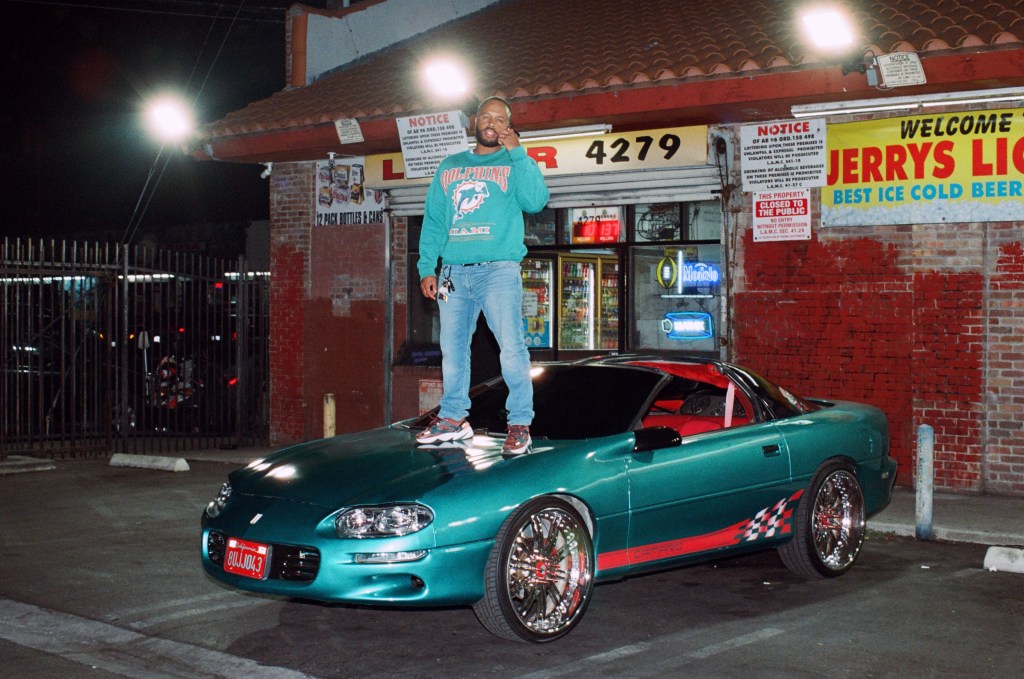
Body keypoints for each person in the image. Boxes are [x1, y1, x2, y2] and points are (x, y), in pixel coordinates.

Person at [416, 96, 549, 455]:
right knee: (452, 349)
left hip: (499, 270)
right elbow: (434, 221)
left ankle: (519, 423)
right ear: (475, 122)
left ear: (508, 126)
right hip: (453, 273)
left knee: (512, 347)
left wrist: (518, 152)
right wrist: (427, 267)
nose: (491, 123)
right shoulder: (450, 166)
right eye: (486, 116)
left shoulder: (514, 161)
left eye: (500, 119)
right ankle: (453, 418)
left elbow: (536, 201)